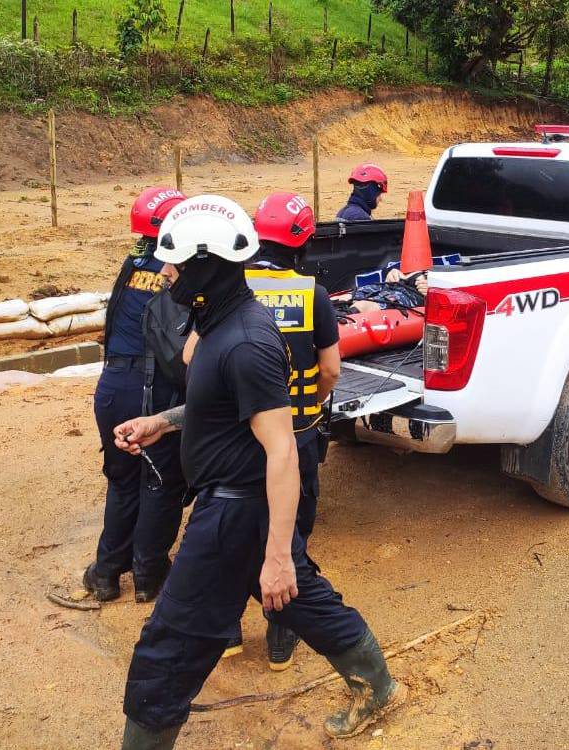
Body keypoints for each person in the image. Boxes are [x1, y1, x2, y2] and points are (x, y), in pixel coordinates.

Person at [112, 195, 405, 748]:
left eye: (172, 260)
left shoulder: (245, 342)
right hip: (239, 505)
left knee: (169, 644)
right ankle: (378, 687)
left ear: (205, 267)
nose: (163, 270)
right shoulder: (218, 324)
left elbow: (283, 452)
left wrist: (274, 557)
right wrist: (163, 422)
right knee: (302, 601)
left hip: (234, 512)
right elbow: (220, 411)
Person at [215, 191, 341, 670]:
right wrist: (311, 401)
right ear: (303, 241)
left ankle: (226, 632)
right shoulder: (312, 294)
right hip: (297, 433)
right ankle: (280, 639)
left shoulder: (228, 289)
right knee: (288, 536)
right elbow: (330, 369)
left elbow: (193, 359)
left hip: (236, 436)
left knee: (229, 529)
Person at [82, 187, 189, 603]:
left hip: (112, 387)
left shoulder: (133, 262)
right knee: (160, 481)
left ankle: (106, 573)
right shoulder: (180, 273)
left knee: (122, 481)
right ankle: (149, 574)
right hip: (155, 389)